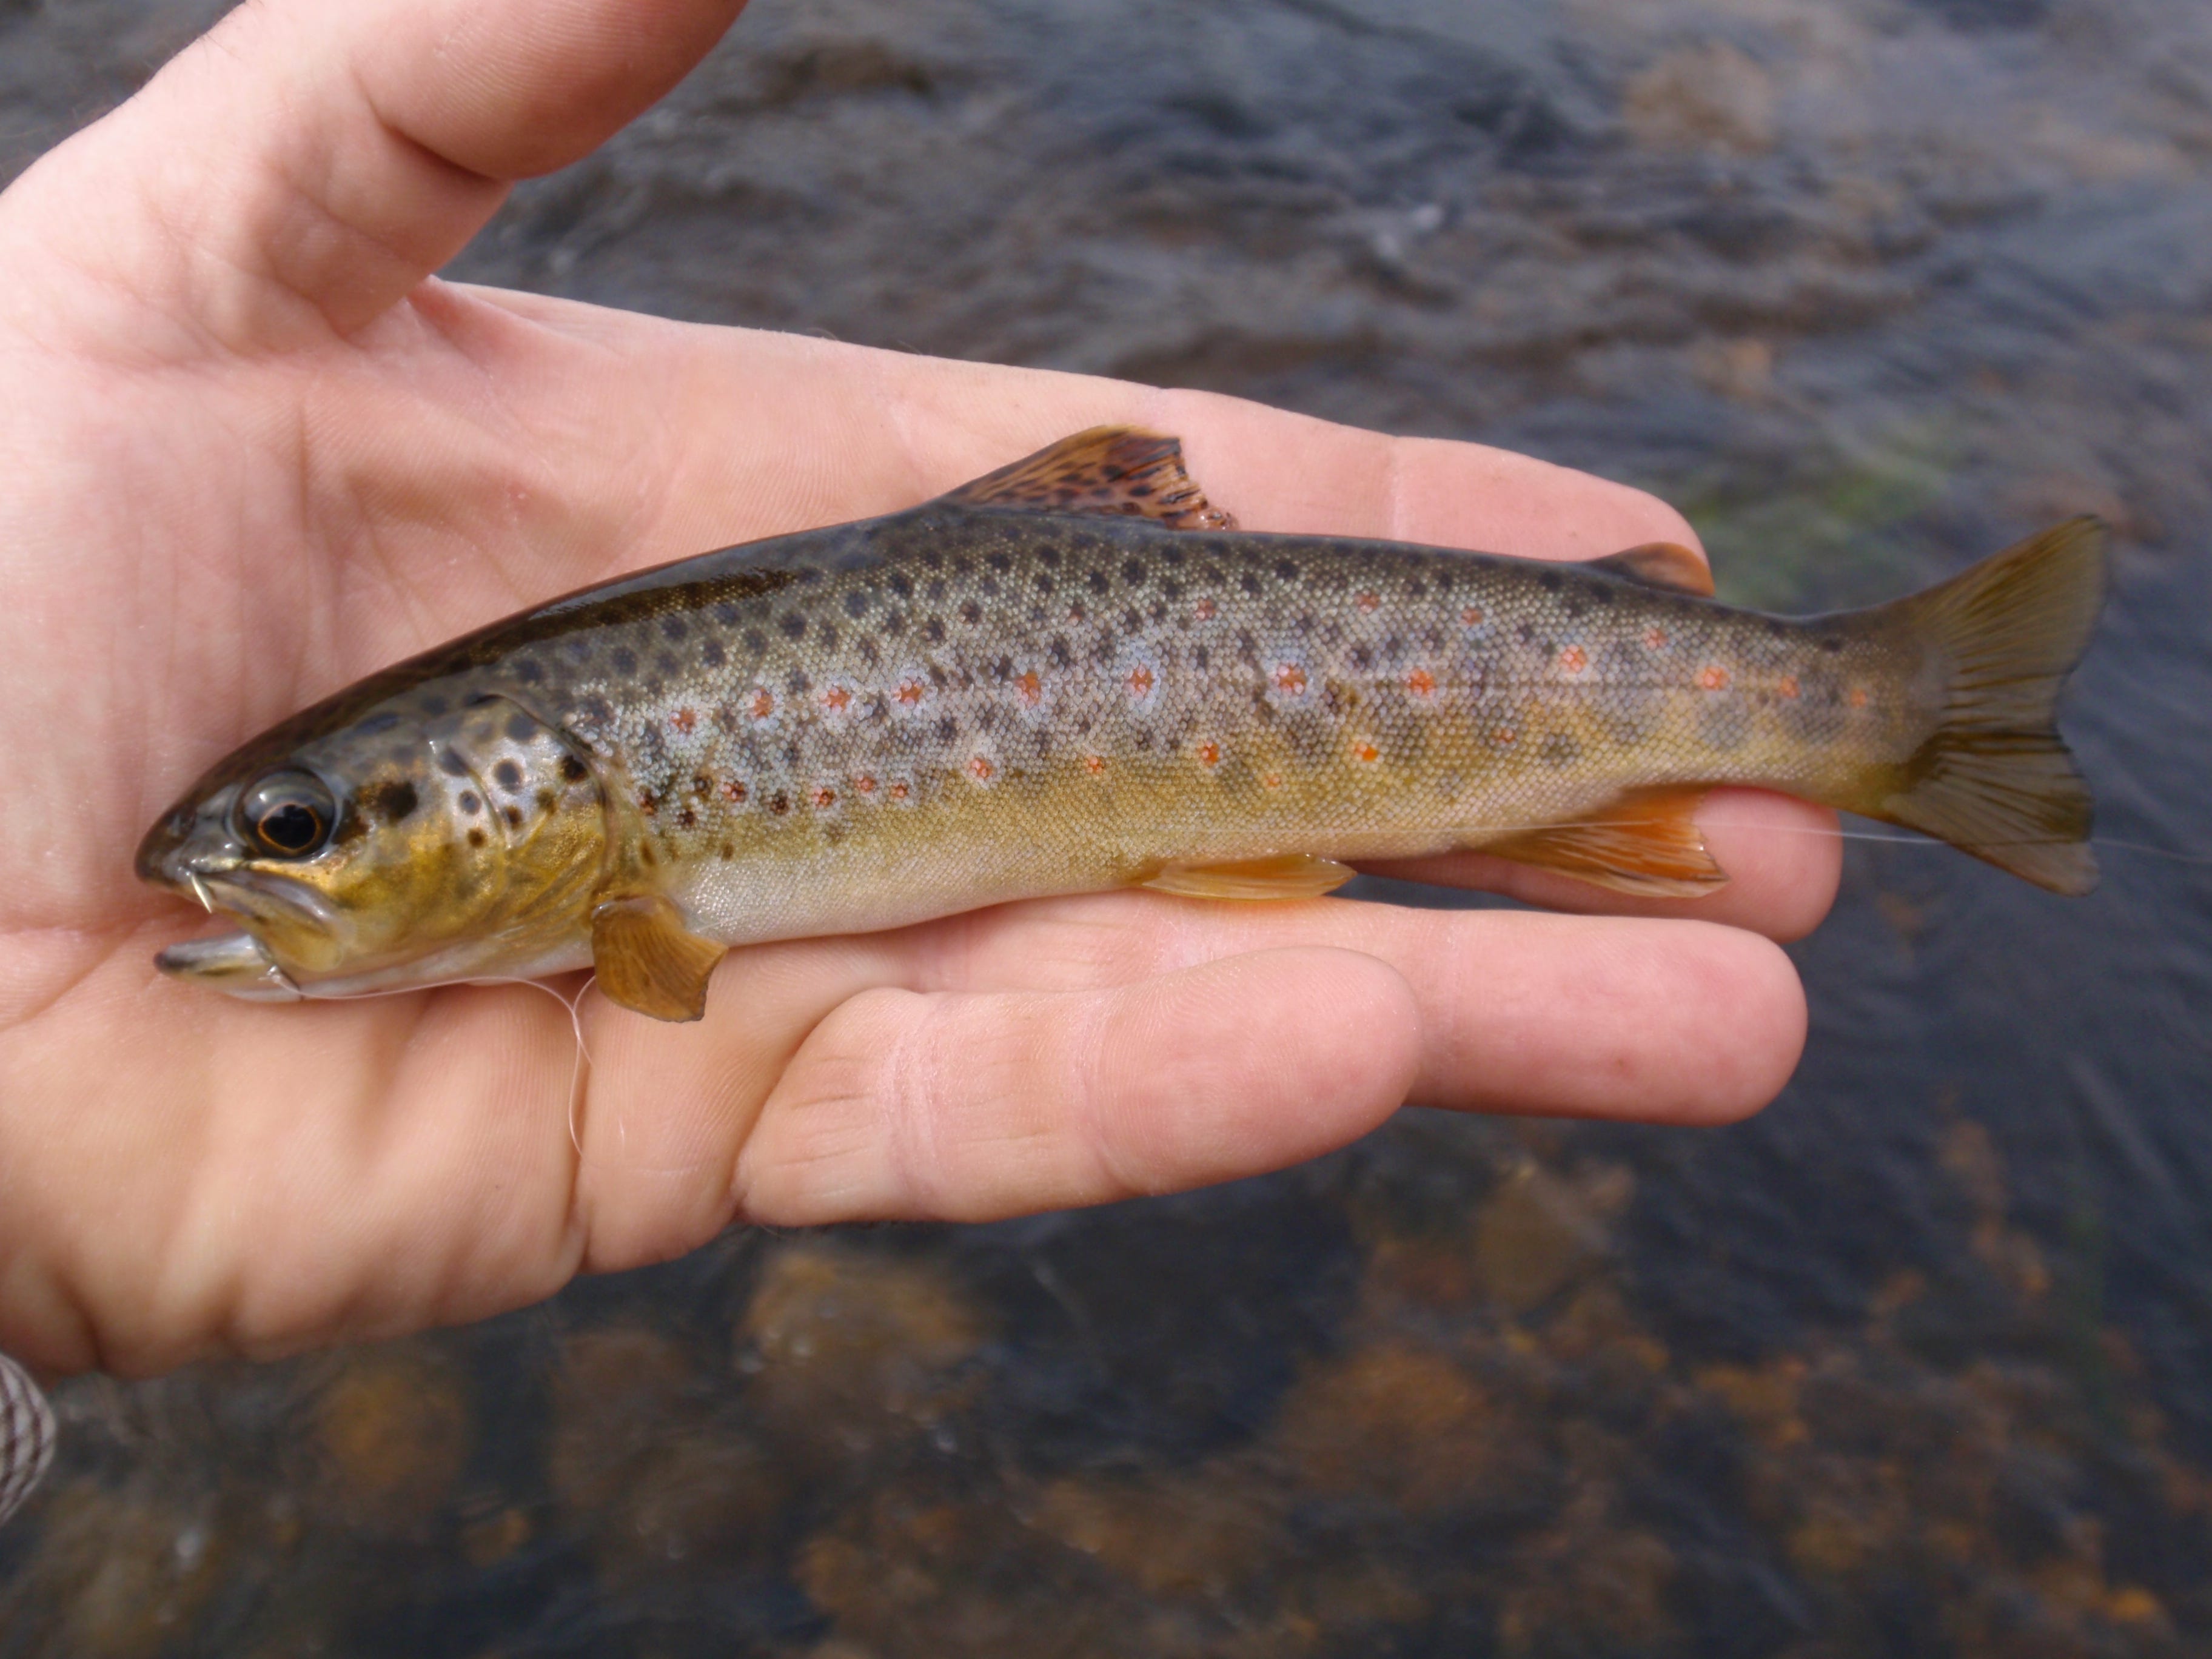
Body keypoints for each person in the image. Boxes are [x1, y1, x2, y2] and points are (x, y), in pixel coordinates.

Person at [0, 0, 1834, 1386]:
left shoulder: (629, 901)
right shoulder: (587, 864)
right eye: (294, 833)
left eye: (301, 830)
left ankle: (1869, 716)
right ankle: (1856, 717)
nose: (257, 864)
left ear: (541, 806)